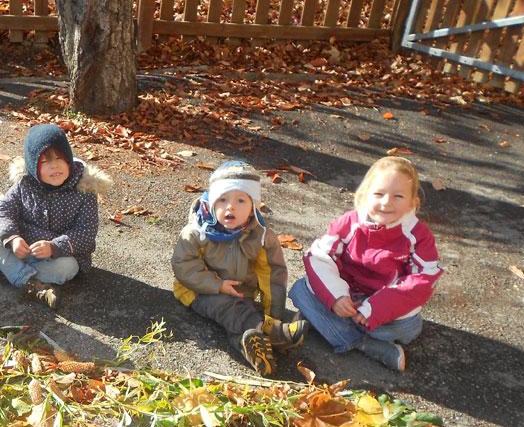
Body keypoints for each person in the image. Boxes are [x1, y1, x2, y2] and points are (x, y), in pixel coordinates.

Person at [289, 156, 442, 372]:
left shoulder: (418, 235)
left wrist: (376, 308)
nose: (386, 202)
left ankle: (323, 324)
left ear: (412, 203)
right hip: (348, 300)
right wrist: (337, 297)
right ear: (364, 195)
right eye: (379, 194)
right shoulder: (350, 223)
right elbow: (319, 256)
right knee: (300, 290)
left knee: (405, 329)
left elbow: (423, 279)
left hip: (385, 310)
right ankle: (366, 345)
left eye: (398, 196)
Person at [172, 160, 306, 376]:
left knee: (239, 317)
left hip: (241, 293)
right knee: (229, 308)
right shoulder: (197, 232)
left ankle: (253, 346)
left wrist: (274, 314)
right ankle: (273, 335)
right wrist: (217, 285)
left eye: (240, 200)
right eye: (222, 199)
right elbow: (184, 266)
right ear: (212, 202)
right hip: (198, 290)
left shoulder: (261, 237)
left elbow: (272, 276)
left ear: (253, 207)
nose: (230, 207)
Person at [0, 123, 110, 310]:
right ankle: (30, 283)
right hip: (25, 248)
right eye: (45, 161)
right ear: (33, 165)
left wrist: (54, 247)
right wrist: (14, 239)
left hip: (59, 256)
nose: (55, 166)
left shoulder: (84, 189)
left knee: (68, 268)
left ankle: (11, 272)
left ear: (69, 160)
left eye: (60, 158)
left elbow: (86, 231)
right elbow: (3, 209)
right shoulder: (24, 184)